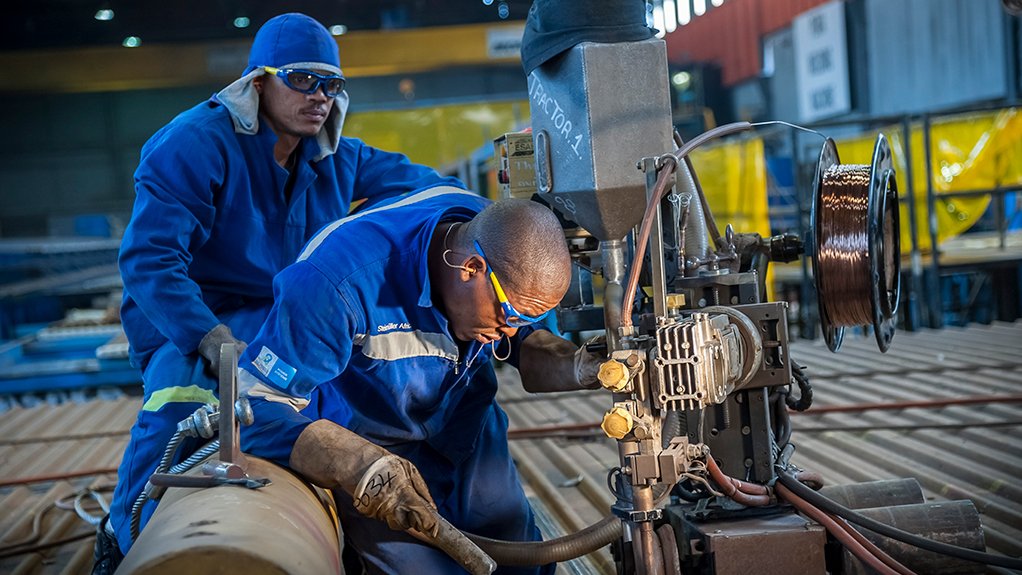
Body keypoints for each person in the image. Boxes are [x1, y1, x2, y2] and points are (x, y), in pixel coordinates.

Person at [101, 12, 464, 569]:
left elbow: (431, 191)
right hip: (193, 315)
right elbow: (150, 261)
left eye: (331, 84)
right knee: (188, 406)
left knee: (345, 408)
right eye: (302, 79)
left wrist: (501, 220)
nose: (319, 96)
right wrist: (212, 342)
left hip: (280, 314)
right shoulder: (194, 145)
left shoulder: (337, 158)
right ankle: (127, 536)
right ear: (258, 82)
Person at [235, 189, 601, 574]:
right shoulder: (334, 282)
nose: (511, 330)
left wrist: (577, 366)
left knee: (520, 554)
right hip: (370, 449)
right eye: (511, 315)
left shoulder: (505, 243)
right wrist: (358, 465)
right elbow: (253, 407)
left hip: (465, 425)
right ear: (471, 269)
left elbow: (524, 339)